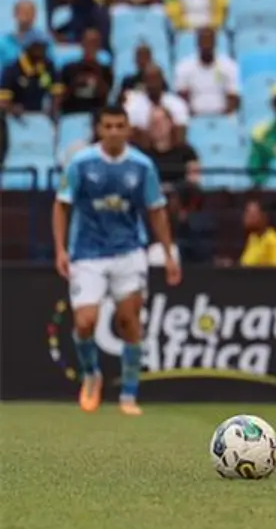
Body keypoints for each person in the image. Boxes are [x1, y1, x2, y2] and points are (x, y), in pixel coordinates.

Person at [52, 105, 181, 416]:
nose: (113, 132)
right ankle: (91, 375)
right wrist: (60, 249)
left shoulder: (142, 166)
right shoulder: (81, 163)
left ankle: (129, 392)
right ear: (99, 129)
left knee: (128, 321)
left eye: (119, 126)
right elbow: (61, 205)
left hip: (129, 251)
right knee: (85, 322)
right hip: (87, 252)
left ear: (128, 129)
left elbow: (156, 210)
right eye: (107, 126)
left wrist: (168, 253)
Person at [0, 37, 62, 117]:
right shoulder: (12, 69)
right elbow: (3, 100)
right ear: (28, 47)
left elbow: (57, 94)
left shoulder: (49, 66)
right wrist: (12, 108)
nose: (40, 50)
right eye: (36, 46)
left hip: (42, 115)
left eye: (43, 47)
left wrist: (53, 109)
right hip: (16, 116)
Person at [139, 106, 199, 188]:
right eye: (153, 123)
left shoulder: (187, 152)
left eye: (160, 122)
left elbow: (193, 180)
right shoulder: (142, 155)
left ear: (170, 123)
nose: (157, 126)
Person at [60, 27, 113, 114]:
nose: (91, 45)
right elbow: (61, 95)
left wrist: (95, 70)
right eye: (89, 42)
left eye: (95, 42)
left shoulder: (105, 70)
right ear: (82, 43)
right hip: (72, 113)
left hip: (96, 114)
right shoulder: (68, 69)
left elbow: (106, 95)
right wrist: (77, 82)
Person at [238, 198, 276, 268]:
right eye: (246, 214)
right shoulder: (253, 238)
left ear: (264, 217)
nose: (246, 218)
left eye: (252, 215)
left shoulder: (272, 241)